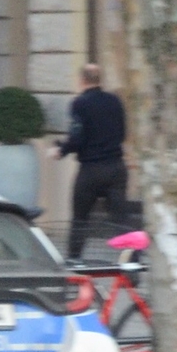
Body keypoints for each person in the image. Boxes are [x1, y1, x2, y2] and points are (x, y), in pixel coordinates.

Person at [58, 64, 128, 259]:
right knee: (121, 219)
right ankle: (133, 266)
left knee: (80, 220)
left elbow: (77, 138)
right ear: (100, 80)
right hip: (116, 168)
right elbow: (122, 133)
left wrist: (61, 150)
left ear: (82, 81)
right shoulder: (115, 101)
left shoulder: (79, 104)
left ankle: (74, 262)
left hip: (91, 170)